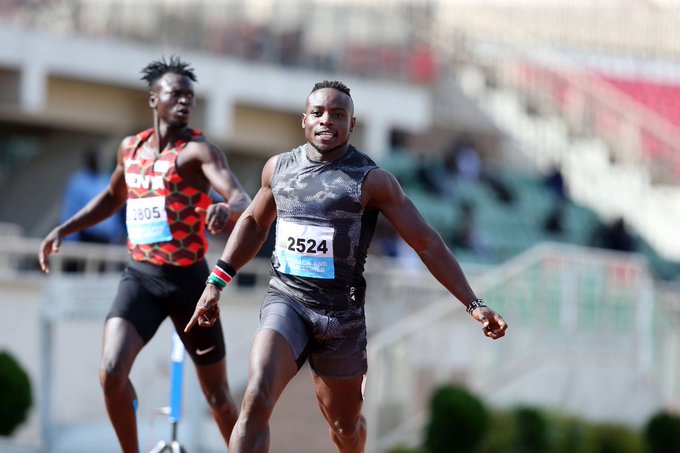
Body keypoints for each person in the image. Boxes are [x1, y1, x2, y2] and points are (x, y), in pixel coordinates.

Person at [185, 80, 508, 452]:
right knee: (256, 395)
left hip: (341, 318)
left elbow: (425, 242)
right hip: (286, 301)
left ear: (352, 125)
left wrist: (473, 303)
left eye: (339, 115)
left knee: (345, 426)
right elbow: (255, 224)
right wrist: (216, 282)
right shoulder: (279, 169)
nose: (327, 121)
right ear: (304, 120)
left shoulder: (372, 181)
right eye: (319, 113)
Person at [38, 56, 251, 453]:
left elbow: (242, 196)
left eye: (191, 96)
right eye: (176, 94)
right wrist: (64, 228)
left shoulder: (199, 152)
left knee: (219, 397)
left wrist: (228, 207)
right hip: (140, 278)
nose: (185, 102)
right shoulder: (130, 149)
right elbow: (112, 198)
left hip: (190, 283)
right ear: (154, 99)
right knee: (111, 372)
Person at [60, 146, 126, 245]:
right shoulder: (78, 181)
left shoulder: (105, 179)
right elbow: (70, 210)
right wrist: (70, 238)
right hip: (86, 237)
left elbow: (115, 206)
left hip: (108, 239)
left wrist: (121, 234)